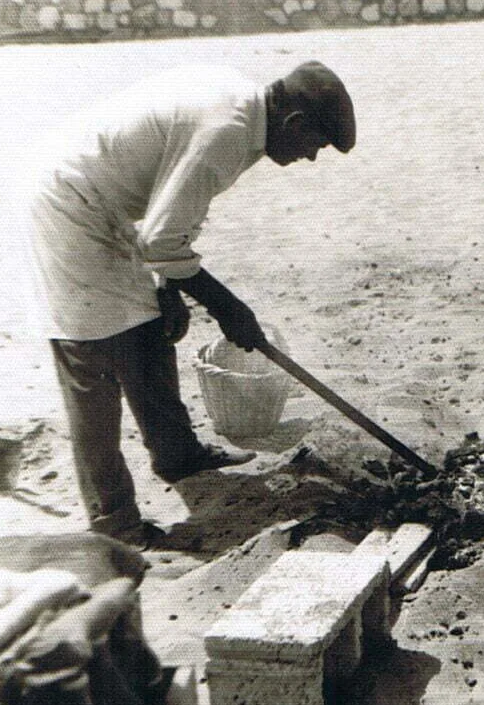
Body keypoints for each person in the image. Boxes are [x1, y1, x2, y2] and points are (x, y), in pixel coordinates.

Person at [24, 60, 356, 549]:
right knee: (91, 354)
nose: (310, 158)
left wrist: (171, 287)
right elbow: (162, 237)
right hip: (68, 202)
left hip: (110, 205)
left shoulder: (245, 113)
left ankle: (179, 458)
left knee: (152, 326)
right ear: (295, 124)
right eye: (316, 146)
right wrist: (228, 306)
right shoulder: (227, 130)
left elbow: (173, 215)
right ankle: (115, 525)